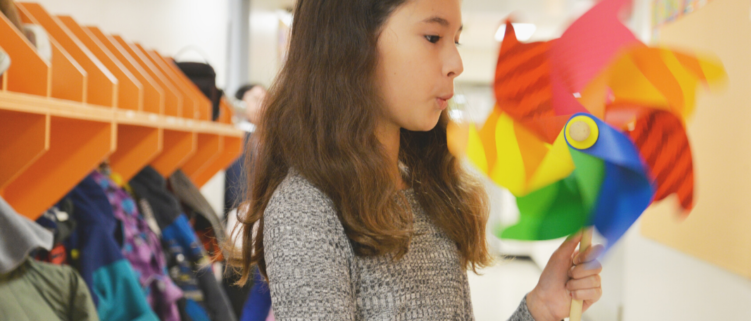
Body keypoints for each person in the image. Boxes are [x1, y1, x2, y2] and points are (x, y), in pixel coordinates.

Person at [226, 0, 604, 320]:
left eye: (456, 39)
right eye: (433, 37)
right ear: (351, 44)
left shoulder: (427, 189)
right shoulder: (305, 208)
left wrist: (538, 308)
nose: (456, 62)